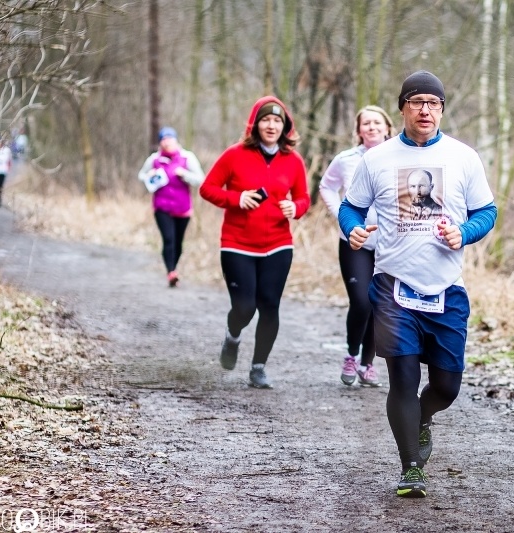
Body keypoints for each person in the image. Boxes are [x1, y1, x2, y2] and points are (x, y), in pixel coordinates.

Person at [338, 71, 496, 497]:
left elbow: (487, 212)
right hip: (393, 289)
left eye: (433, 102)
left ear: (441, 109)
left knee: (447, 385)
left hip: (447, 289)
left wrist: (463, 232)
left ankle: (424, 417)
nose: (425, 109)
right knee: (403, 379)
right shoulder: (377, 159)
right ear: (403, 107)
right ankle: (411, 467)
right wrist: (352, 228)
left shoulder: (464, 157)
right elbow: (351, 208)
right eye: (417, 101)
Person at [200, 96, 309, 389]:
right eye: (265, 120)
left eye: (277, 120)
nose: (271, 125)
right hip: (237, 243)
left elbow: (303, 198)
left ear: (285, 126)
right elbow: (207, 188)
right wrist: (237, 198)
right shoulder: (234, 155)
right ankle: (233, 336)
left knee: (270, 305)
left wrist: (295, 209)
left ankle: (258, 367)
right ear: (255, 124)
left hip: (278, 243)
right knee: (245, 307)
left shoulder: (293, 161)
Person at [319, 105, 395, 387]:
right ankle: (351, 356)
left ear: (388, 127)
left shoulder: (398, 157)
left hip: (390, 244)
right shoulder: (346, 159)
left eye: (377, 122)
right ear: (359, 130)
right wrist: (342, 216)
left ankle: (367, 363)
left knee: (380, 304)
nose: (372, 127)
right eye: (366, 123)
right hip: (355, 242)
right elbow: (326, 186)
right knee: (361, 302)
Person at [138, 126, 205, 287]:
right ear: (160, 142)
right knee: (169, 239)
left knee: (178, 243)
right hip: (162, 207)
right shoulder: (154, 159)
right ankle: (171, 272)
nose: (167, 142)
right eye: (163, 139)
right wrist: (149, 175)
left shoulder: (187, 157)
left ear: (176, 140)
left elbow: (201, 179)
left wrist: (185, 174)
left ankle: (173, 268)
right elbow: (141, 175)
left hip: (183, 208)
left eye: (170, 139)